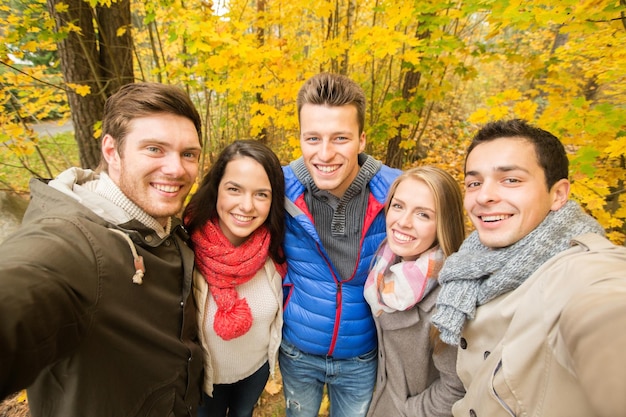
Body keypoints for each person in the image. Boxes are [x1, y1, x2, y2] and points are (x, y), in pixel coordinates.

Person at [0, 82, 205, 416]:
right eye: (154, 149)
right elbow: (25, 287)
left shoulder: (162, 225)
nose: (177, 169)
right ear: (111, 151)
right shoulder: (74, 244)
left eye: (188, 154)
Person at [432, 119, 626, 417]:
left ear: (558, 194)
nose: (484, 196)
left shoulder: (580, 271)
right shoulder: (469, 265)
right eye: (474, 183)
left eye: (511, 180)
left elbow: (605, 308)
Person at [279, 72, 401, 417]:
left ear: (362, 140)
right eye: (313, 138)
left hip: (362, 357)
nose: (326, 153)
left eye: (341, 138)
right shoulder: (276, 188)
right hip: (297, 352)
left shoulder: (397, 193)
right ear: (300, 139)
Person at [183, 140, 286, 417]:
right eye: (234, 189)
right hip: (205, 383)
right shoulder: (184, 249)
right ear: (216, 188)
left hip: (255, 371)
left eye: (261, 194)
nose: (247, 205)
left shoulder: (275, 249)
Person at [364, 166, 466, 417]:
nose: (403, 222)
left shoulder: (449, 299)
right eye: (398, 206)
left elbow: (456, 387)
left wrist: (407, 411)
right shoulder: (385, 261)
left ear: (444, 223)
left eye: (423, 214)